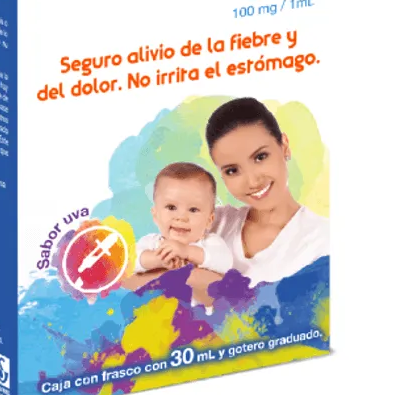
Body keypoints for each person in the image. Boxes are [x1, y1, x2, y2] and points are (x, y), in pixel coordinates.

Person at [204, 97, 329, 285]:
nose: (253, 181)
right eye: (232, 170)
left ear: (284, 146)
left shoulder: (322, 239)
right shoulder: (212, 223)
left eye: (260, 157)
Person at [133, 163, 232, 311]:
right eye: (171, 207)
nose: (181, 217)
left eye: (193, 210)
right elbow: (130, 261)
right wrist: (158, 259)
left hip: (198, 318)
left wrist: (187, 251)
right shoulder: (152, 243)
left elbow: (225, 263)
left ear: (209, 220)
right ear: (155, 215)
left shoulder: (209, 243)